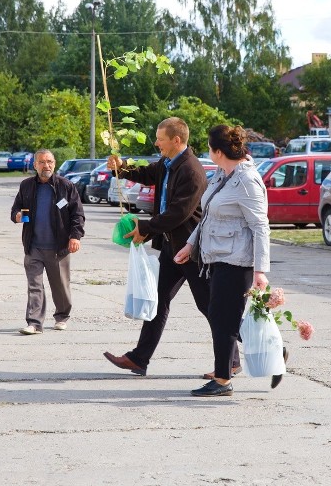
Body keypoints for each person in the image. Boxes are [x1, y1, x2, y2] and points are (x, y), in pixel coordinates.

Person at [103, 117, 241, 377]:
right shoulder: (168, 163)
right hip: (171, 248)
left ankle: (257, 351)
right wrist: (121, 167)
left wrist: (144, 228)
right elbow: (147, 173)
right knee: (159, 300)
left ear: (176, 140)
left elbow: (178, 213)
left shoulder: (191, 171)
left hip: (191, 251)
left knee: (212, 307)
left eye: (160, 139)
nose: (156, 143)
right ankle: (139, 358)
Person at [174, 125, 273, 397]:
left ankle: (222, 380)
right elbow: (208, 217)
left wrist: (260, 270)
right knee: (222, 318)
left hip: (237, 260)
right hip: (216, 256)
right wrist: (190, 244)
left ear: (218, 151)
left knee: (222, 319)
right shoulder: (222, 174)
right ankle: (263, 354)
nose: (208, 151)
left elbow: (261, 227)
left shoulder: (247, 181)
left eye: (209, 147)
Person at [11, 149, 85, 334]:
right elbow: (15, 209)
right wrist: (17, 216)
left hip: (58, 247)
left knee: (59, 286)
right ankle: (34, 323)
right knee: (34, 286)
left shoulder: (65, 186)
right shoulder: (26, 185)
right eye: (42, 162)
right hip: (33, 246)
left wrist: (75, 236)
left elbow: (77, 214)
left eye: (50, 161)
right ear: (35, 165)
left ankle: (61, 316)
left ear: (55, 163)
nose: (47, 166)